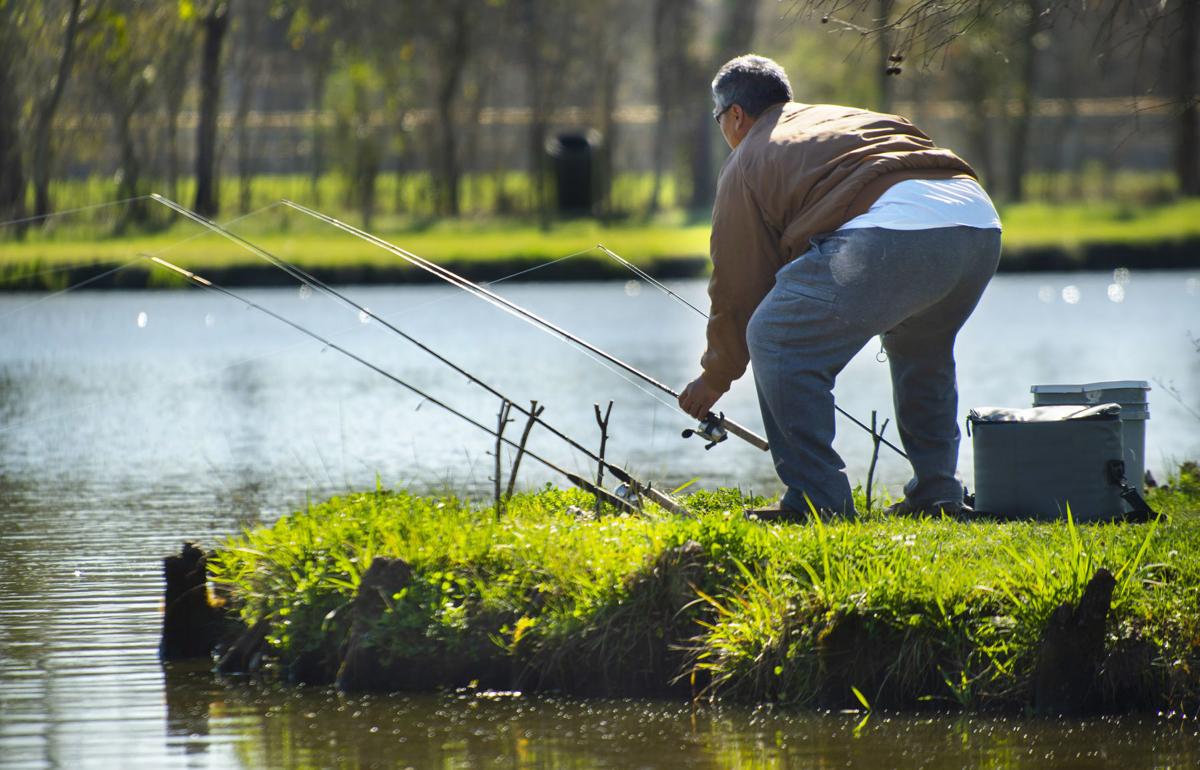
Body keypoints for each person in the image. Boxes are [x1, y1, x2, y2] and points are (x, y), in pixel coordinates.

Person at [677, 54, 1002, 519]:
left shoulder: (748, 154)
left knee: (776, 338)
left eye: (717, 119)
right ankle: (938, 495)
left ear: (734, 115)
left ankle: (817, 500)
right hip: (976, 224)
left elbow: (736, 282)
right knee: (922, 353)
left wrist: (715, 376)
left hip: (896, 231)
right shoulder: (841, 117)